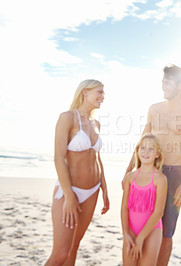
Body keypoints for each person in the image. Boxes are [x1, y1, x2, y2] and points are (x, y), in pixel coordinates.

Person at [124, 64, 181, 265]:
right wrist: (128, 170)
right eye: (162, 81)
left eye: (167, 82)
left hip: (174, 174)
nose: (162, 85)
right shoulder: (154, 109)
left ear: (180, 85)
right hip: (147, 170)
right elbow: (142, 141)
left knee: (167, 231)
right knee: (139, 222)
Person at [45, 79, 110, 265]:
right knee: (60, 254)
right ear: (84, 92)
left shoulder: (96, 123)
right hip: (70, 190)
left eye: (103, 93)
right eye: (99, 92)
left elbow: (97, 158)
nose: (102, 97)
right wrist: (69, 196)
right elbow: (58, 158)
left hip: (93, 191)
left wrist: (104, 189)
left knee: (74, 246)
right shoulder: (67, 118)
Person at [121, 133, 167, 265]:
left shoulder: (160, 179)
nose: (146, 152)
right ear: (137, 150)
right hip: (131, 229)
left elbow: (159, 212)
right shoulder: (130, 177)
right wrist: (125, 234)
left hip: (152, 231)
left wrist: (141, 238)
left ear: (157, 154)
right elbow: (124, 207)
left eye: (151, 149)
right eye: (143, 148)